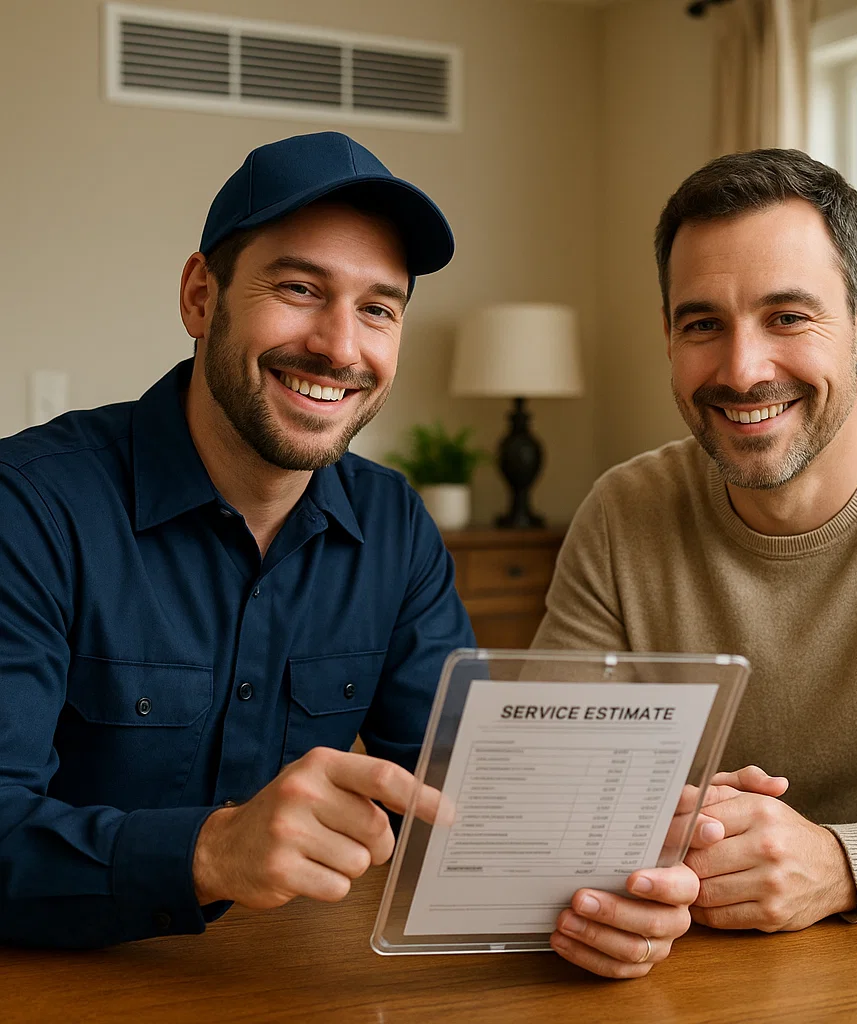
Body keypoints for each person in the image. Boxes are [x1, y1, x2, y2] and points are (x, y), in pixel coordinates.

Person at [0, 132, 695, 977]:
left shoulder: (394, 526)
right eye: (299, 288)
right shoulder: (28, 508)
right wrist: (212, 851)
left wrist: (631, 850)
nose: (339, 347)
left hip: (293, 981)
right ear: (200, 297)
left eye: (378, 308)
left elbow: (452, 796)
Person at [534, 148, 857, 934]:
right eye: (703, 324)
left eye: (788, 317)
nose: (741, 369)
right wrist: (624, 880)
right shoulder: (623, 512)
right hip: (691, 955)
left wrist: (840, 863)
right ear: (668, 338)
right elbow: (547, 785)